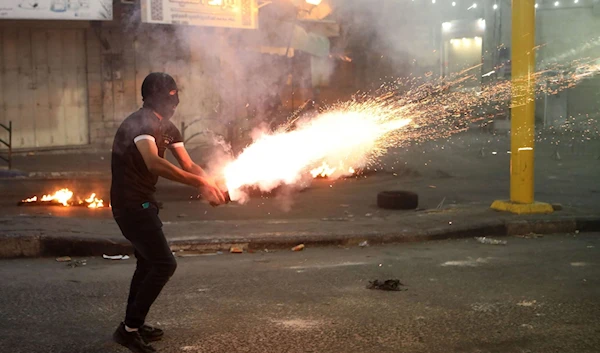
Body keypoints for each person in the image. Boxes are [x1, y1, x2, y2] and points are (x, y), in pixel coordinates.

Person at [110, 72, 226, 353]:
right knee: (164, 264)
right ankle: (129, 330)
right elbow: (154, 164)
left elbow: (188, 164)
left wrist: (209, 183)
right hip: (129, 204)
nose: (174, 103)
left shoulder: (169, 128)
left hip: (143, 201)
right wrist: (199, 183)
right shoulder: (141, 123)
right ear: (150, 97)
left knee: (148, 263)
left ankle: (131, 324)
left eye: (176, 97)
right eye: (168, 97)